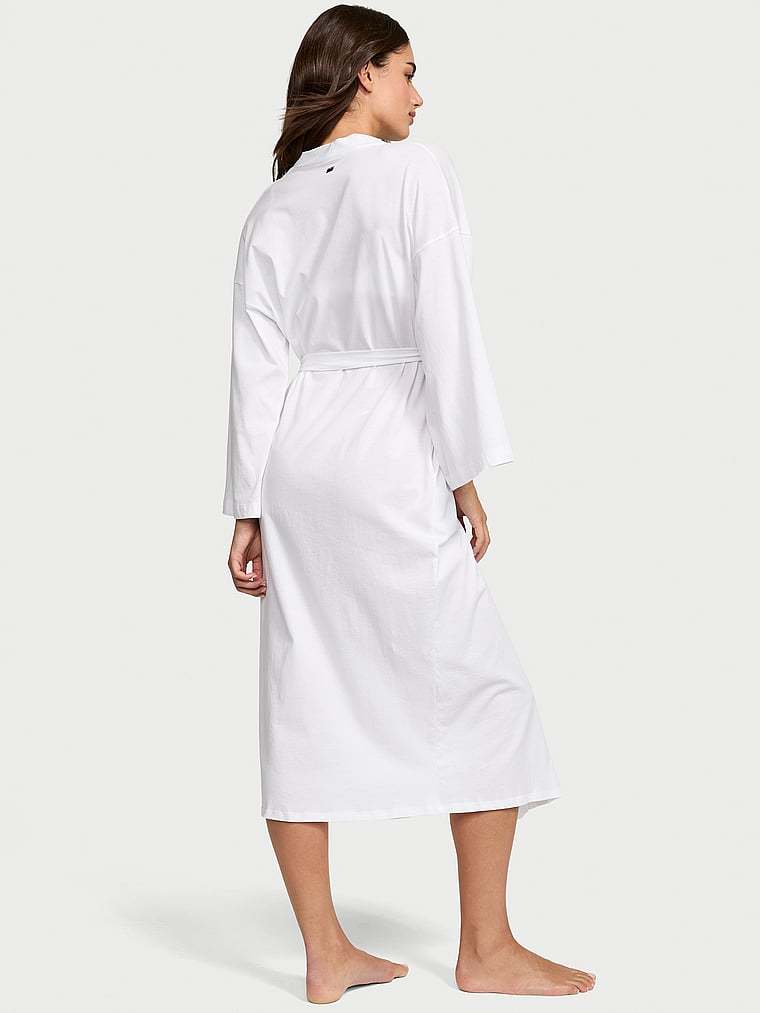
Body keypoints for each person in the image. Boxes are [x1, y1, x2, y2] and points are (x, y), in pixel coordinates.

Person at [222, 4, 596, 1004]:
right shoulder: (415, 174)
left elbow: (257, 363)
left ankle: (325, 953)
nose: (419, 96)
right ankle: (487, 948)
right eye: (407, 71)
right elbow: (446, 324)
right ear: (363, 74)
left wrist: (248, 505)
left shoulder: (275, 204)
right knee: (486, 692)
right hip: (388, 445)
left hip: (299, 454)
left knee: (302, 686)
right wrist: (463, 469)